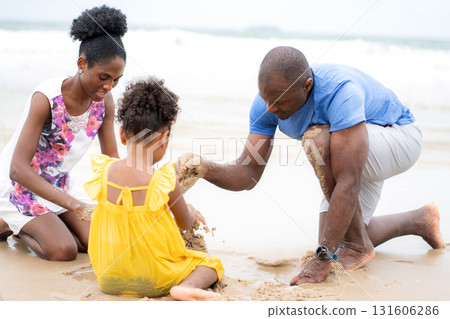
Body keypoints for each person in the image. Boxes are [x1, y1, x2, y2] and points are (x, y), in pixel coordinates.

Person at [177, 46, 445, 285]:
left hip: (399, 137)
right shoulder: (267, 103)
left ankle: (357, 244)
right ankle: (419, 220)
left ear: (306, 86)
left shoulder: (340, 92)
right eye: (265, 99)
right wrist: (205, 168)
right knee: (335, 237)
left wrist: (322, 257)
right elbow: (248, 173)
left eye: (279, 101)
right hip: (351, 147)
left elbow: (348, 181)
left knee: (317, 143)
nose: (270, 108)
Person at [0, 5, 127, 261]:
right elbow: (17, 169)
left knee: (98, 243)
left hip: (59, 185)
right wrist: (76, 206)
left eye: (116, 80)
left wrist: (129, 199)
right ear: (82, 63)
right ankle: (9, 223)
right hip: (19, 186)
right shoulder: (46, 98)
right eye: (103, 77)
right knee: (63, 251)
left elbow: (111, 159)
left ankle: (44, 224)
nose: (108, 86)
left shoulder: (105, 102)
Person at [84, 78, 223, 300]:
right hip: (154, 279)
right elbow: (184, 223)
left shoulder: (104, 171)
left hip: (108, 277)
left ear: (122, 135)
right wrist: (191, 209)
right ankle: (185, 287)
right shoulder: (163, 180)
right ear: (164, 139)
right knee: (211, 264)